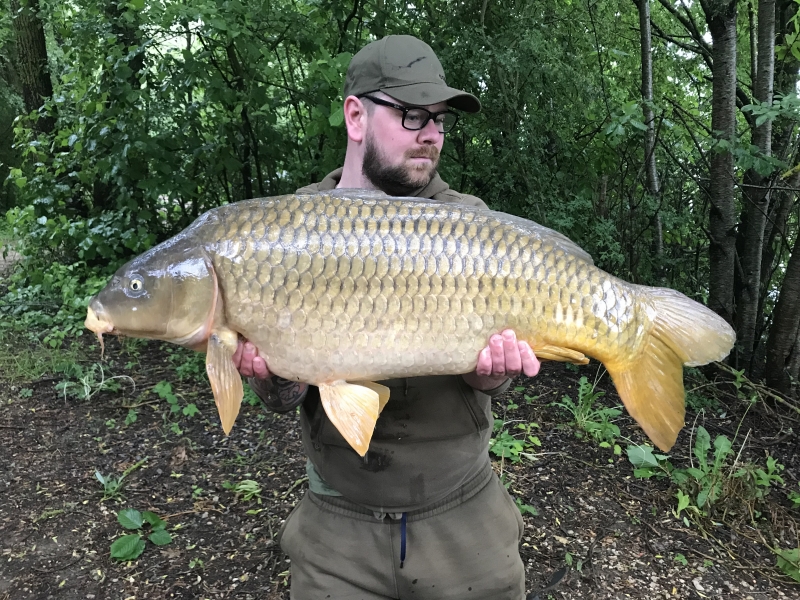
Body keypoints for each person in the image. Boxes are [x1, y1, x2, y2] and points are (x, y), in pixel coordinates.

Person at [233, 34, 541, 599]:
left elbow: (492, 380)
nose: (432, 134)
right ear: (356, 116)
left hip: (462, 515)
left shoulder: (472, 229)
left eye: (440, 120)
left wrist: (493, 374)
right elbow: (281, 399)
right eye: (412, 115)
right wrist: (271, 376)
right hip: (337, 525)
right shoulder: (284, 235)